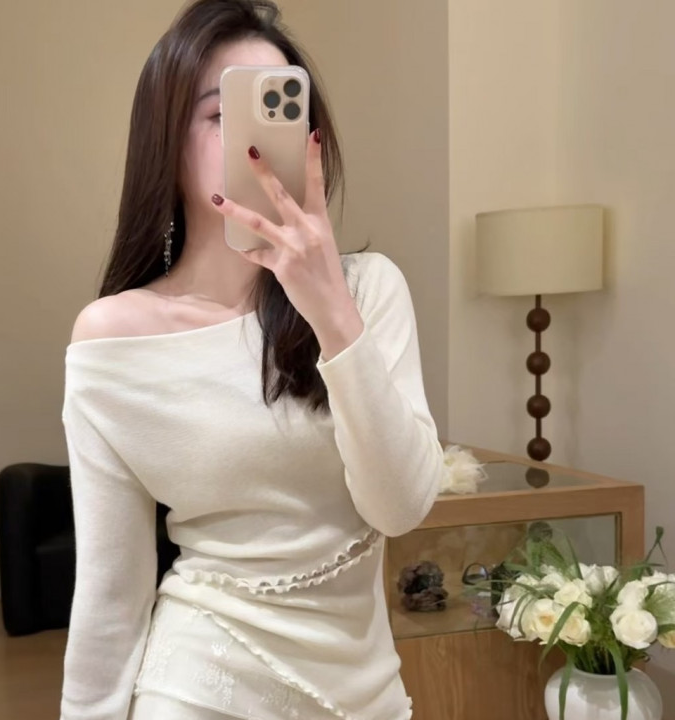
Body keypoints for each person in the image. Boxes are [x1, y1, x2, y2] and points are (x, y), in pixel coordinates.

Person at [60, 1, 444, 718]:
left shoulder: (370, 291)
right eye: (223, 113)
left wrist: (331, 310)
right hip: (199, 682)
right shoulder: (114, 338)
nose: (259, 140)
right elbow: (111, 588)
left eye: (280, 107)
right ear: (165, 144)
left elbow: (400, 507)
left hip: (364, 692)